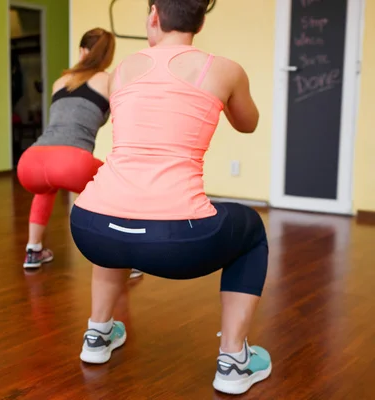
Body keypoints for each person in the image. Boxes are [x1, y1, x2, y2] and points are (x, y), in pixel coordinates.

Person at [69, 0, 270, 395]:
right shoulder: (224, 69)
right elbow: (249, 124)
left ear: (154, 15)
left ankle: (97, 334)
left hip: (89, 224)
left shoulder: (122, 70)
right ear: (200, 19)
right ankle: (233, 360)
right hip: (177, 242)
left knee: (118, 215)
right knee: (252, 230)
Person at [16, 28, 143, 279]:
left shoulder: (59, 82)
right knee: (118, 188)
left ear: (82, 51)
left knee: (46, 188)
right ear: (107, 56)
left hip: (31, 161)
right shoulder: (109, 80)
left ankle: (33, 250)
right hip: (72, 161)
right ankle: (126, 257)